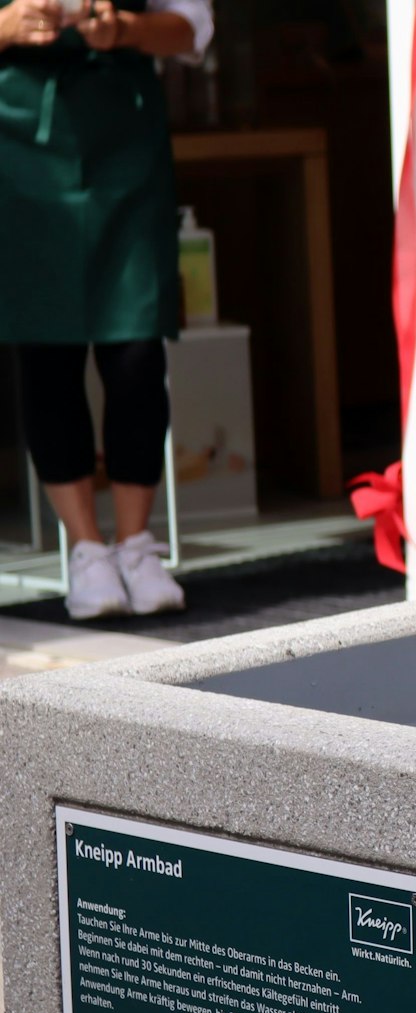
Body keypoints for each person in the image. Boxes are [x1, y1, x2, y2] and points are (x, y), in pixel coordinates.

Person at [0, 0, 214, 619]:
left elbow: (191, 25)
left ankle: (137, 545)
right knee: (48, 348)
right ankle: (86, 551)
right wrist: (10, 25)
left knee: (138, 345)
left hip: (126, 138)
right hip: (21, 143)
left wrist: (125, 30)